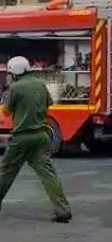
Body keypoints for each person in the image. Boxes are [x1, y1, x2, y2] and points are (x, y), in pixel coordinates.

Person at [0, 56, 71, 222]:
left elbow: (6, 112)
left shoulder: (15, 87)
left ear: (14, 72)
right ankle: (63, 210)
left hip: (21, 138)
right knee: (48, 174)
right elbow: (48, 104)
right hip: (41, 136)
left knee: (6, 173)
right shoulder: (40, 84)